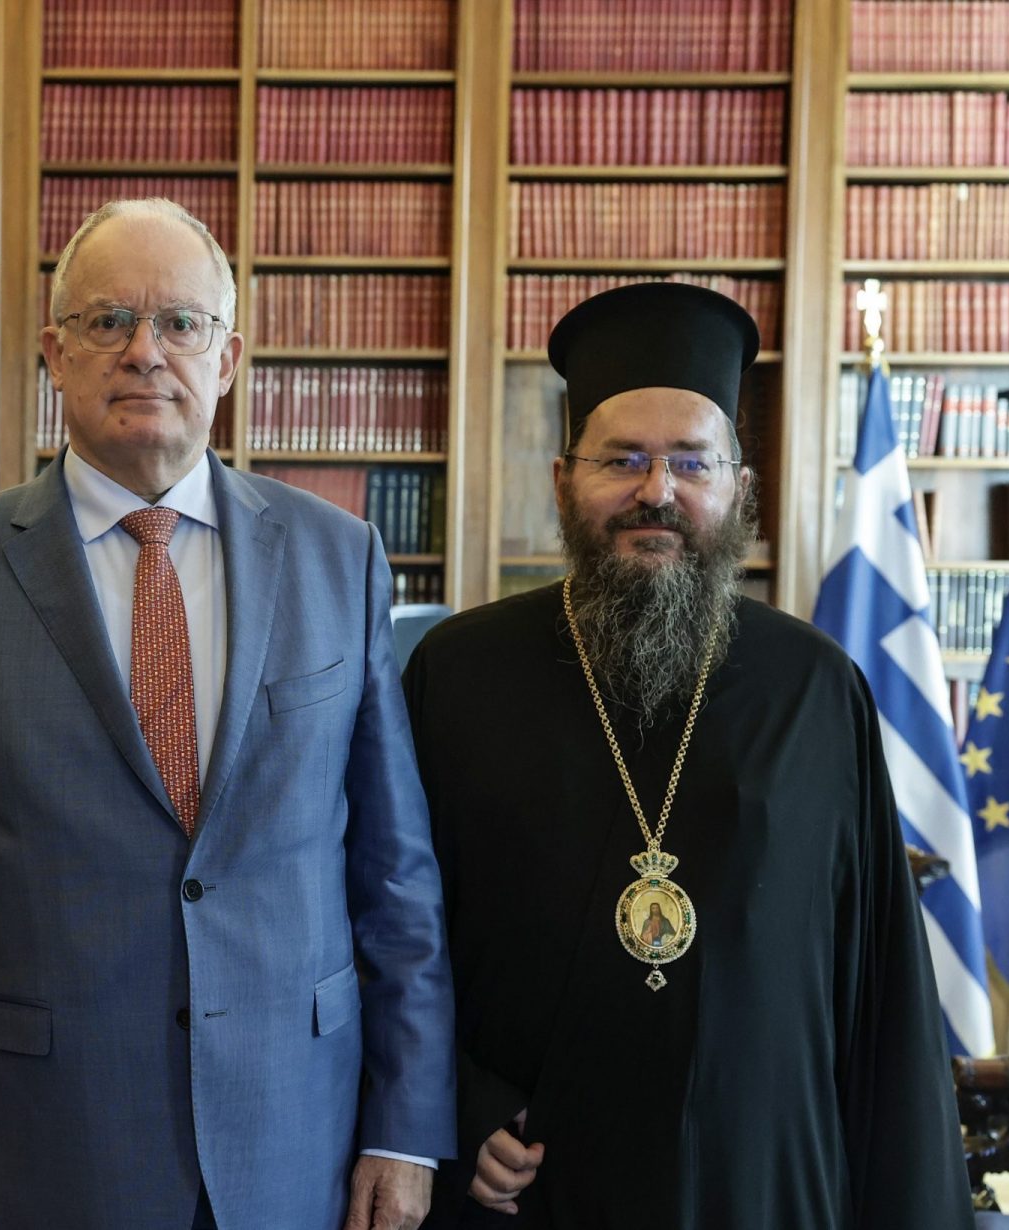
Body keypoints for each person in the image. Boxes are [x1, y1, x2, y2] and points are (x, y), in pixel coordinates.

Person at [0, 199, 454, 1230]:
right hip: (43, 1153)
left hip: (298, 1142)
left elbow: (396, 880)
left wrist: (404, 1129)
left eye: (181, 323)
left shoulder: (339, 558)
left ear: (229, 358)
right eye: (108, 320)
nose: (144, 351)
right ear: (54, 354)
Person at [402, 282, 969, 1229]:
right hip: (530, 1191)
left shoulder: (815, 689)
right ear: (562, 481)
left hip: (763, 1185)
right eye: (621, 459)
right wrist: (453, 1107)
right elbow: (390, 934)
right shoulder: (457, 673)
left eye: (691, 463)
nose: (656, 492)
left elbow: (884, 999)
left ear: (738, 487)